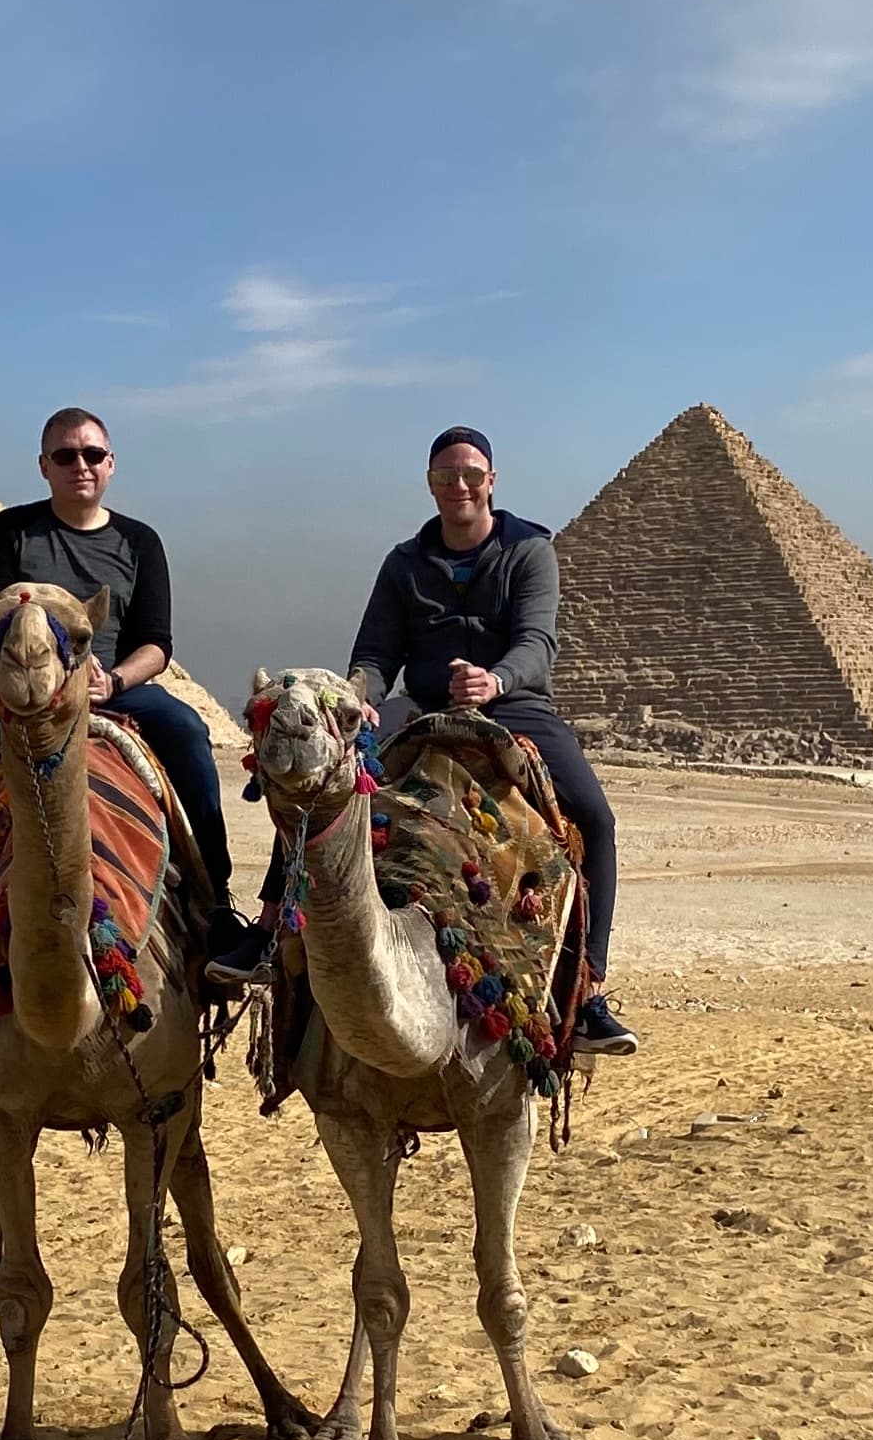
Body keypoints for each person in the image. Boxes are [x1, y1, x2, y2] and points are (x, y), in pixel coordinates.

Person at [209, 424, 637, 1055]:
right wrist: (361, 701)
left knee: (595, 821)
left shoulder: (530, 552)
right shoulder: (404, 563)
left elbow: (537, 643)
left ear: (491, 480)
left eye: (471, 475)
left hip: (514, 705)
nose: (458, 486)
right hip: (423, 705)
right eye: (445, 477)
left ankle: (587, 988)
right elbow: (377, 653)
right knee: (321, 781)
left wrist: (495, 680)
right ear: (431, 484)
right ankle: (270, 931)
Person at [0, 406, 253, 1032]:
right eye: (65, 456)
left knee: (191, 739)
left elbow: (157, 644)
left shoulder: (138, 542)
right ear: (43, 466)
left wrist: (112, 678)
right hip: (22, 695)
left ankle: (217, 911)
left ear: (111, 464)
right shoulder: (10, 533)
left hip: (111, 689)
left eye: (91, 455)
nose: (79, 466)